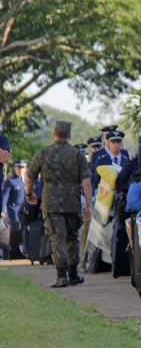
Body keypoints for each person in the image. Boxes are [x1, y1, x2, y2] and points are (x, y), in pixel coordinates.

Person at [25, 121, 92, 287]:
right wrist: (89, 206)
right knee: (72, 238)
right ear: (69, 135)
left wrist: (29, 193)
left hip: (52, 204)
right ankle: (73, 274)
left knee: (57, 239)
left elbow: (29, 177)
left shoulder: (43, 153)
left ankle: (61, 276)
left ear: (54, 134)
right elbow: (87, 183)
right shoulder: (77, 154)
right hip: (72, 203)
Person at [1, 159, 27, 259]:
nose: (21, 169)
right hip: (14, 209)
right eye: (19, 167)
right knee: (16, 229)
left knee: (25, 230)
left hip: (25, 210)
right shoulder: (11, 181)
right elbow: (5, 196)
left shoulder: (27, 180)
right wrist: (2, 210)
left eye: (23, 167)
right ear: (15, 168)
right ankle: (15, 252)